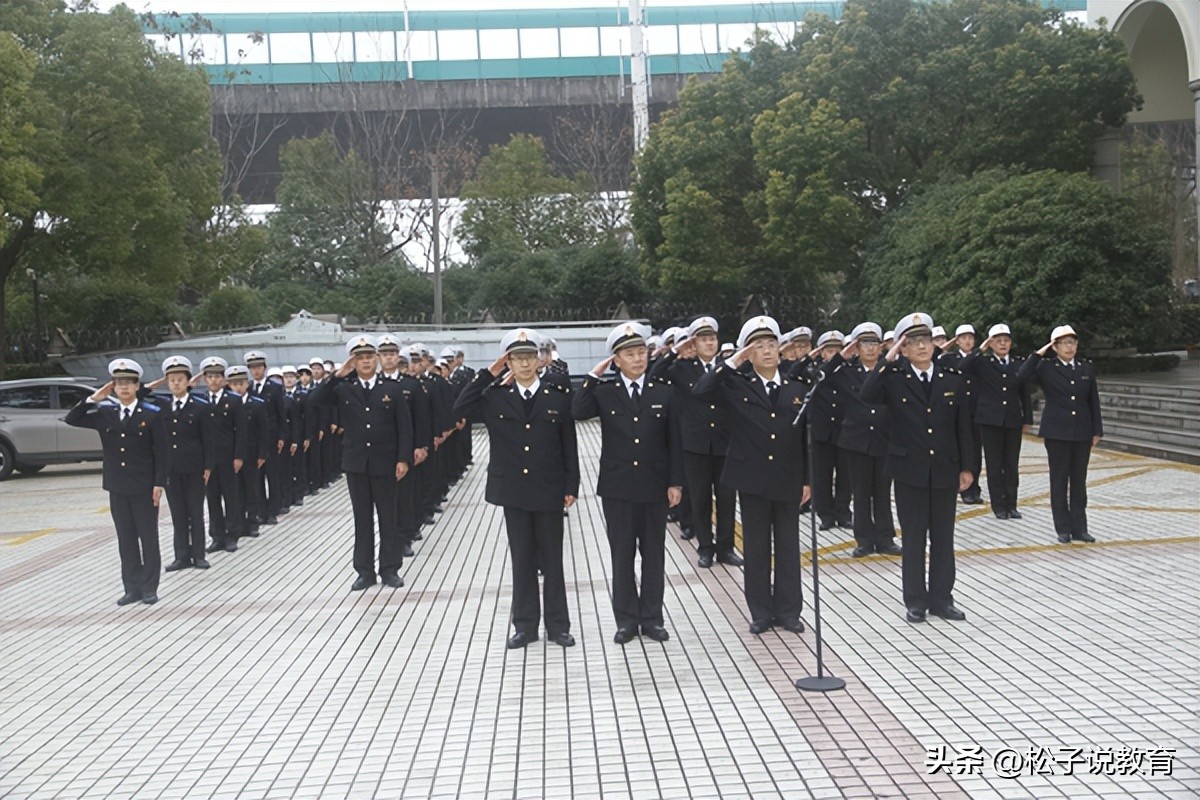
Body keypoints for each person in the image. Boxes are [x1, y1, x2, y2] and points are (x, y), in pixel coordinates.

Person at [455, 328, 580, 649]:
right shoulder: (496, 396)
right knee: (522, 558)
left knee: (553, 560)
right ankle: (525, 626)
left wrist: (571, 485)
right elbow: (460, 407)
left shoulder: (557, 397)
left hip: (550, 488)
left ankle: (558, 626)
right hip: (513, 489)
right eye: (516, 358)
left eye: (529, 357)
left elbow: (569, 445)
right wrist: (490, 373)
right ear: (507, 360)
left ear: (539, 360)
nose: (524, 364)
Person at [694, 316, 811, 634]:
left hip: (787, 478)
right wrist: (733, 361)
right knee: (757, 548)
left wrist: (807, 480)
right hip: (752, 478)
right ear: (749, 352)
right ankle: (760, 611)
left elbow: (803, 439)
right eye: (759, 346)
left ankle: (789, 611)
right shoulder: (735, 385)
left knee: (787, 547)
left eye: (772, 344)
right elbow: (701, 392)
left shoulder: (796, 387)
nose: (767, 351)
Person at [573, 322, 683, 644]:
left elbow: (674, 440)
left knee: (653, 555)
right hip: (618, 487)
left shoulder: (663, 392)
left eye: (641, 353)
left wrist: (675, 482)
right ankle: (626, 620)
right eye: (629, 354)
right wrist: (593, 377)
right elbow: (577, 411)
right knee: (622, 555)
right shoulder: (605, 392)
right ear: (616, 360)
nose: (638, 359)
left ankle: (652, 618)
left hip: (654, 486)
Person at [861, 313, 974, 623]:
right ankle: (915, 600)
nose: (922, 347)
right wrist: (887, 358)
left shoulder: (951, 378)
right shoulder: (894, 378)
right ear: (904, 348)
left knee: (943, 537)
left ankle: (942, 598)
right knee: (913, 537)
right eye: (913, 343)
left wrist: (968, 468)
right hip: (909, 469)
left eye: (926, 341)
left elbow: (964, 428)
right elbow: (866, 394)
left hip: (944, 469)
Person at [310, 336, 414, 590]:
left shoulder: (391, 389)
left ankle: (390, 569)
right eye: (360, 357)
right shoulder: (344, 388)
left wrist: (403, 459)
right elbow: (314, 401)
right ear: (353, 361)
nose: (365, 361)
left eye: (369, 357)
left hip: (386, 462)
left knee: (388, 517)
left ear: (377, 359)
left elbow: (405, 427)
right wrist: (337, 375)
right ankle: (364, 571)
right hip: (357, 463)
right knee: (362, 519)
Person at [64, 359, 168, 606]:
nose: (123, 387)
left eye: (128, 383)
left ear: (136, 386)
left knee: (148, 538)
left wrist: (158, 483)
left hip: (144, 487)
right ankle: (132, 588)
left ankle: (150, 587)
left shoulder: (151, 415)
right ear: (113, 386)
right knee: (126, 539)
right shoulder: (105, 413)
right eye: (118, 383)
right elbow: (72, 419)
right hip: (118, 487)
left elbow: (162, 453)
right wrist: (93, 399)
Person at [649, 315, 742, 569]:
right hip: (695, 444)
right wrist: (674, 351)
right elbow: (653, 374)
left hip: (724, 444)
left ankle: (726, 548)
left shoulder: (728, 366)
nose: (709, 343)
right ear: (694, 343)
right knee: (700, 499)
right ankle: (705, 548)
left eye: (712, 338)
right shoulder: (682, 368)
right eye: (703, 339)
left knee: (726, 499)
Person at [1017, 325, 1103, 543]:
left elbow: (1093, 400)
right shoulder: (1046, 367)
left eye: (1073, 342)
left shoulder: (1085, 367)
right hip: (1057, 432)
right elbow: (1021, 376)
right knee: (1059, 480)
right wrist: (1038, 353)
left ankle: (1080, 528)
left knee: (1079, 481)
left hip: (1082, 431)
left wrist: (1096, 430)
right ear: (1054, 346)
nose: (1070, 347)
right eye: (1065, 343)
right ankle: (1063, 528)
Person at [823, 323, 901, 557]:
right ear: (857, 347)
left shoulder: (890, 370)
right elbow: (819, 376)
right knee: (861, 491)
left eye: (874, 343)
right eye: (865, 344)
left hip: (884, 438)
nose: (870, 348)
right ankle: (864, 540)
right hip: (856, 440)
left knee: (882, 492)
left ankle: (886, 539)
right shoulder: (846, 371)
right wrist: (840, 356)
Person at [953, 324, 1033, 519]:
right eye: (998, 340)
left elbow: (1024, 393)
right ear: (991, 343)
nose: (1003, 344)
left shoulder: (1017, 363)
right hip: (990, 420)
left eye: (1006, 340)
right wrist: (980, 349)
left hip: (1012, 419)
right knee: (994, 464)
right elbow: (961, 368)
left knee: (1011, 464)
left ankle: (1011, 504)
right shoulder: (983, 363)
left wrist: (1027, 418)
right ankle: (998, 506)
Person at [149, 356, 213, 572]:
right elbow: (140, 393)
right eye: (171, 380)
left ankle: (199, 555)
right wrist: (156, 382)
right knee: (178, 514)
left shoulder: (200, 407)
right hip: (172, 469)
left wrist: (208, 467)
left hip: (195, 468)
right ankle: (181, 556)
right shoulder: (161, 406)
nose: (175, 383)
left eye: (179, 379)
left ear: (188, 382)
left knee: (195, 512)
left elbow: (208, 439)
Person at [805, 330, 852, 530]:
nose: (833, 354)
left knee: (845, 474)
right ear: (822, 353)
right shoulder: (815, 371)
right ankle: (825, 514)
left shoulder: (849, 371)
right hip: (822, 431)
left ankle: (843, 512)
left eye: (837, 350)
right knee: (822, 475)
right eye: (829, 350)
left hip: (844, 430)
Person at [199, 357, 246, 554]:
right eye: (210, 377)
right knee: (212, 498)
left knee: (231, 496)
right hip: (207, 459)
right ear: (204, 379)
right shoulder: (199, 400)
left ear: (223, 379)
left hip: (228, 456)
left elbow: (241, 431)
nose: (214, 380)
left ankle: (232, 535)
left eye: (217, 376)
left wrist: (239, 456)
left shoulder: (233, 400)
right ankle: (216, 536)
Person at [223, 365, 271, 547]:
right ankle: (238, 523)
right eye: (234, 384)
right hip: (232, 454)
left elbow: (264, 431)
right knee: (235, 491)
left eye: (241, 383)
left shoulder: (257, 404)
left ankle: (252, 522)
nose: (238, 387)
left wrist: (262, 453)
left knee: (251, 488)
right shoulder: (226, 404)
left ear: (247, 384)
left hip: (251, 453)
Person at [939, 324, 985, 505]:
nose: (967, 341)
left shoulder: (981, 359)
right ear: (957, 341)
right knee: (960, 449)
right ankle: (963, 488)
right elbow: (960, 368)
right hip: (956, 409)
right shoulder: (949, 359)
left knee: (975, 451)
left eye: (970, 338)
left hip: (976, 410)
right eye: (963, 338)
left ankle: (975, 488)